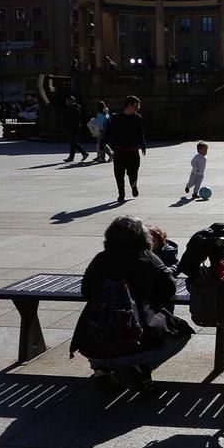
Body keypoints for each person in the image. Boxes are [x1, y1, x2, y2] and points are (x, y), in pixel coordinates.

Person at [70, 216, 193, 392]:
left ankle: (101, 368)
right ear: (143, 237)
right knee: (182, 333)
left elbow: (86, 290)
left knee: (105, 338)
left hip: (94, 341)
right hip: (135, 339)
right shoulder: (148, 258)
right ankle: (140, 366)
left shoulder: (100, 259)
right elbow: (169, 289)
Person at [102, 95, 147, 202]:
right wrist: (102, 144)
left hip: (133, 152)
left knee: (133, 173)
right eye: (136, 106)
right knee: (119, 174)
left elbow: (140, 133)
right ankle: (121, 194)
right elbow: (108, 132)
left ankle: (133, 185)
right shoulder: (116, 118)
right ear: (128, 106)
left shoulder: (137, 118)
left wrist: (143, 145)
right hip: (119, 151)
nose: (137, 108)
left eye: (138, 107)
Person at [62, 96, 89, 162]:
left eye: (67, 101)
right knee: (73, 142)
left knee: (73, 142)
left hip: (73, 128)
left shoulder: (74, 108)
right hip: (74, 127)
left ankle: (84, 153)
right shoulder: (74, 107)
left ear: (71, 101)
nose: (66, 102)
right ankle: (71, 157)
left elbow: (75, 119)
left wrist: (70, 126)